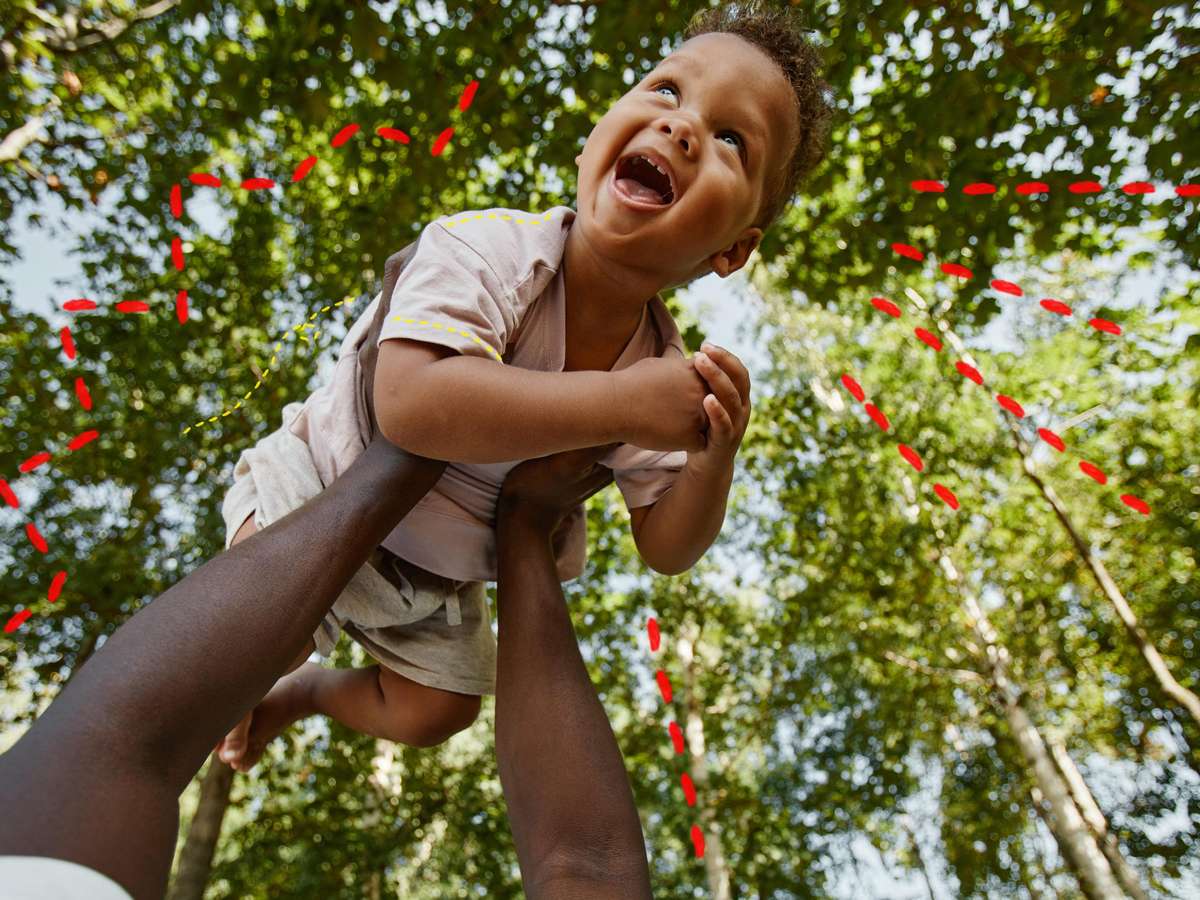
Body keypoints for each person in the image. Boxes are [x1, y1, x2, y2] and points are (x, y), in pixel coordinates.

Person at [214, 0, 828, 773]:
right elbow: (413, 404)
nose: (682, 126)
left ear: (735, 249)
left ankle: (303, 695)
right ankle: (239, 674)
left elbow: (666, 545)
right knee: (259, 629)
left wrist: (711, 461)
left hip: (431, 585)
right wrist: (623, 404)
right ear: (595, 140)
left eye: (732, 138)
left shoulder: (663, 368)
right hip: (314, 489)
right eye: (667, 90)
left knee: (440, 708)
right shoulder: (495, 251)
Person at [0, 437, 651, 898]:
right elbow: (585, 867)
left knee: (301, 670)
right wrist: (522, 522)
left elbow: (123, 744)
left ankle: (300, 686)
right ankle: (403, 463)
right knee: (288, 655)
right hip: (357, 492)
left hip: (396, 551)